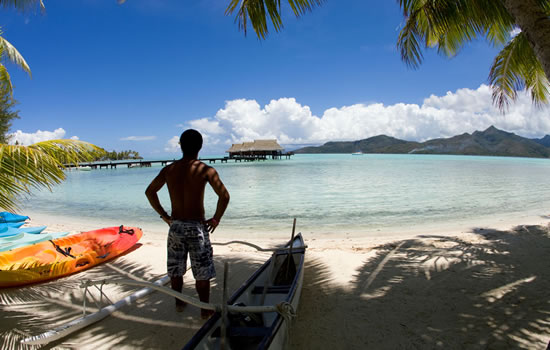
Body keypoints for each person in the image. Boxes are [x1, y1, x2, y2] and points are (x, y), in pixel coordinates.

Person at [145, 129, 230, 319]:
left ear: (180, 145)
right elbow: (224, 196)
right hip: (197, 227)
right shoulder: (206, 170)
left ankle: (179, 302)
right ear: (200, 147)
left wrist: (165, 216)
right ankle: (204, 308)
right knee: (202, 270)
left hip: (176, 226)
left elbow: (150, 192)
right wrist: (216, 218)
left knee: (176, 268)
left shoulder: (169, 170)